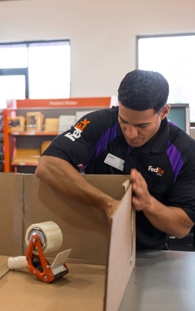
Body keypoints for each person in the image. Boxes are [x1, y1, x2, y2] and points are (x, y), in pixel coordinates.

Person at [35, 69, 195, 250]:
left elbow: (182, 227)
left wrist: (148, 204)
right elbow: (47, 166)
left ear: (164, 112)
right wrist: (106, 204)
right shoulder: (99, 124)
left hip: (149, 255)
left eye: (142, 125)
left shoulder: (186, 151)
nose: (131, 134)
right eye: (124, 121)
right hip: (93, 248)